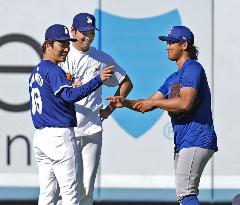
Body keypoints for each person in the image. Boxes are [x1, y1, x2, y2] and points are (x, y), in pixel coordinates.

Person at [108, 26, 218, 205]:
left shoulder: (192, 68)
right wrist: (125, 102)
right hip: (185, 140)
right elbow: (147, 104)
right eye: (167, 42)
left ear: (184, 44)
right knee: (185, 195)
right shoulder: (173, 78)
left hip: (197, 137)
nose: (167, 46)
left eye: (171, 42)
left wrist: (155, 103)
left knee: (186, 194)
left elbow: (184, 102)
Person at [29, 24, 113, 205]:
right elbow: (69, 96)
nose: (66, 49)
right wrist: (97, 79)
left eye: (68, 44)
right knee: (71, 194)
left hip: (41, 138)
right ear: (48, 45)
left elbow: (56, 96)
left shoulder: (37, 70)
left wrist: (69, 84)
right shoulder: (53, 69)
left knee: (47, 195)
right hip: (59, 137)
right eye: (62, 44)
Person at [59, 13, 133, 205]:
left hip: (92, 129)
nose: (88, 37)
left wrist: (110, 109)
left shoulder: (101, 58)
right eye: (83, 33)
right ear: (73, 31)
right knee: (66, 189)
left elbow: (126, 82)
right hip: (67, 130)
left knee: (86, 189)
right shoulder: (62, 56)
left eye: (91, 33)